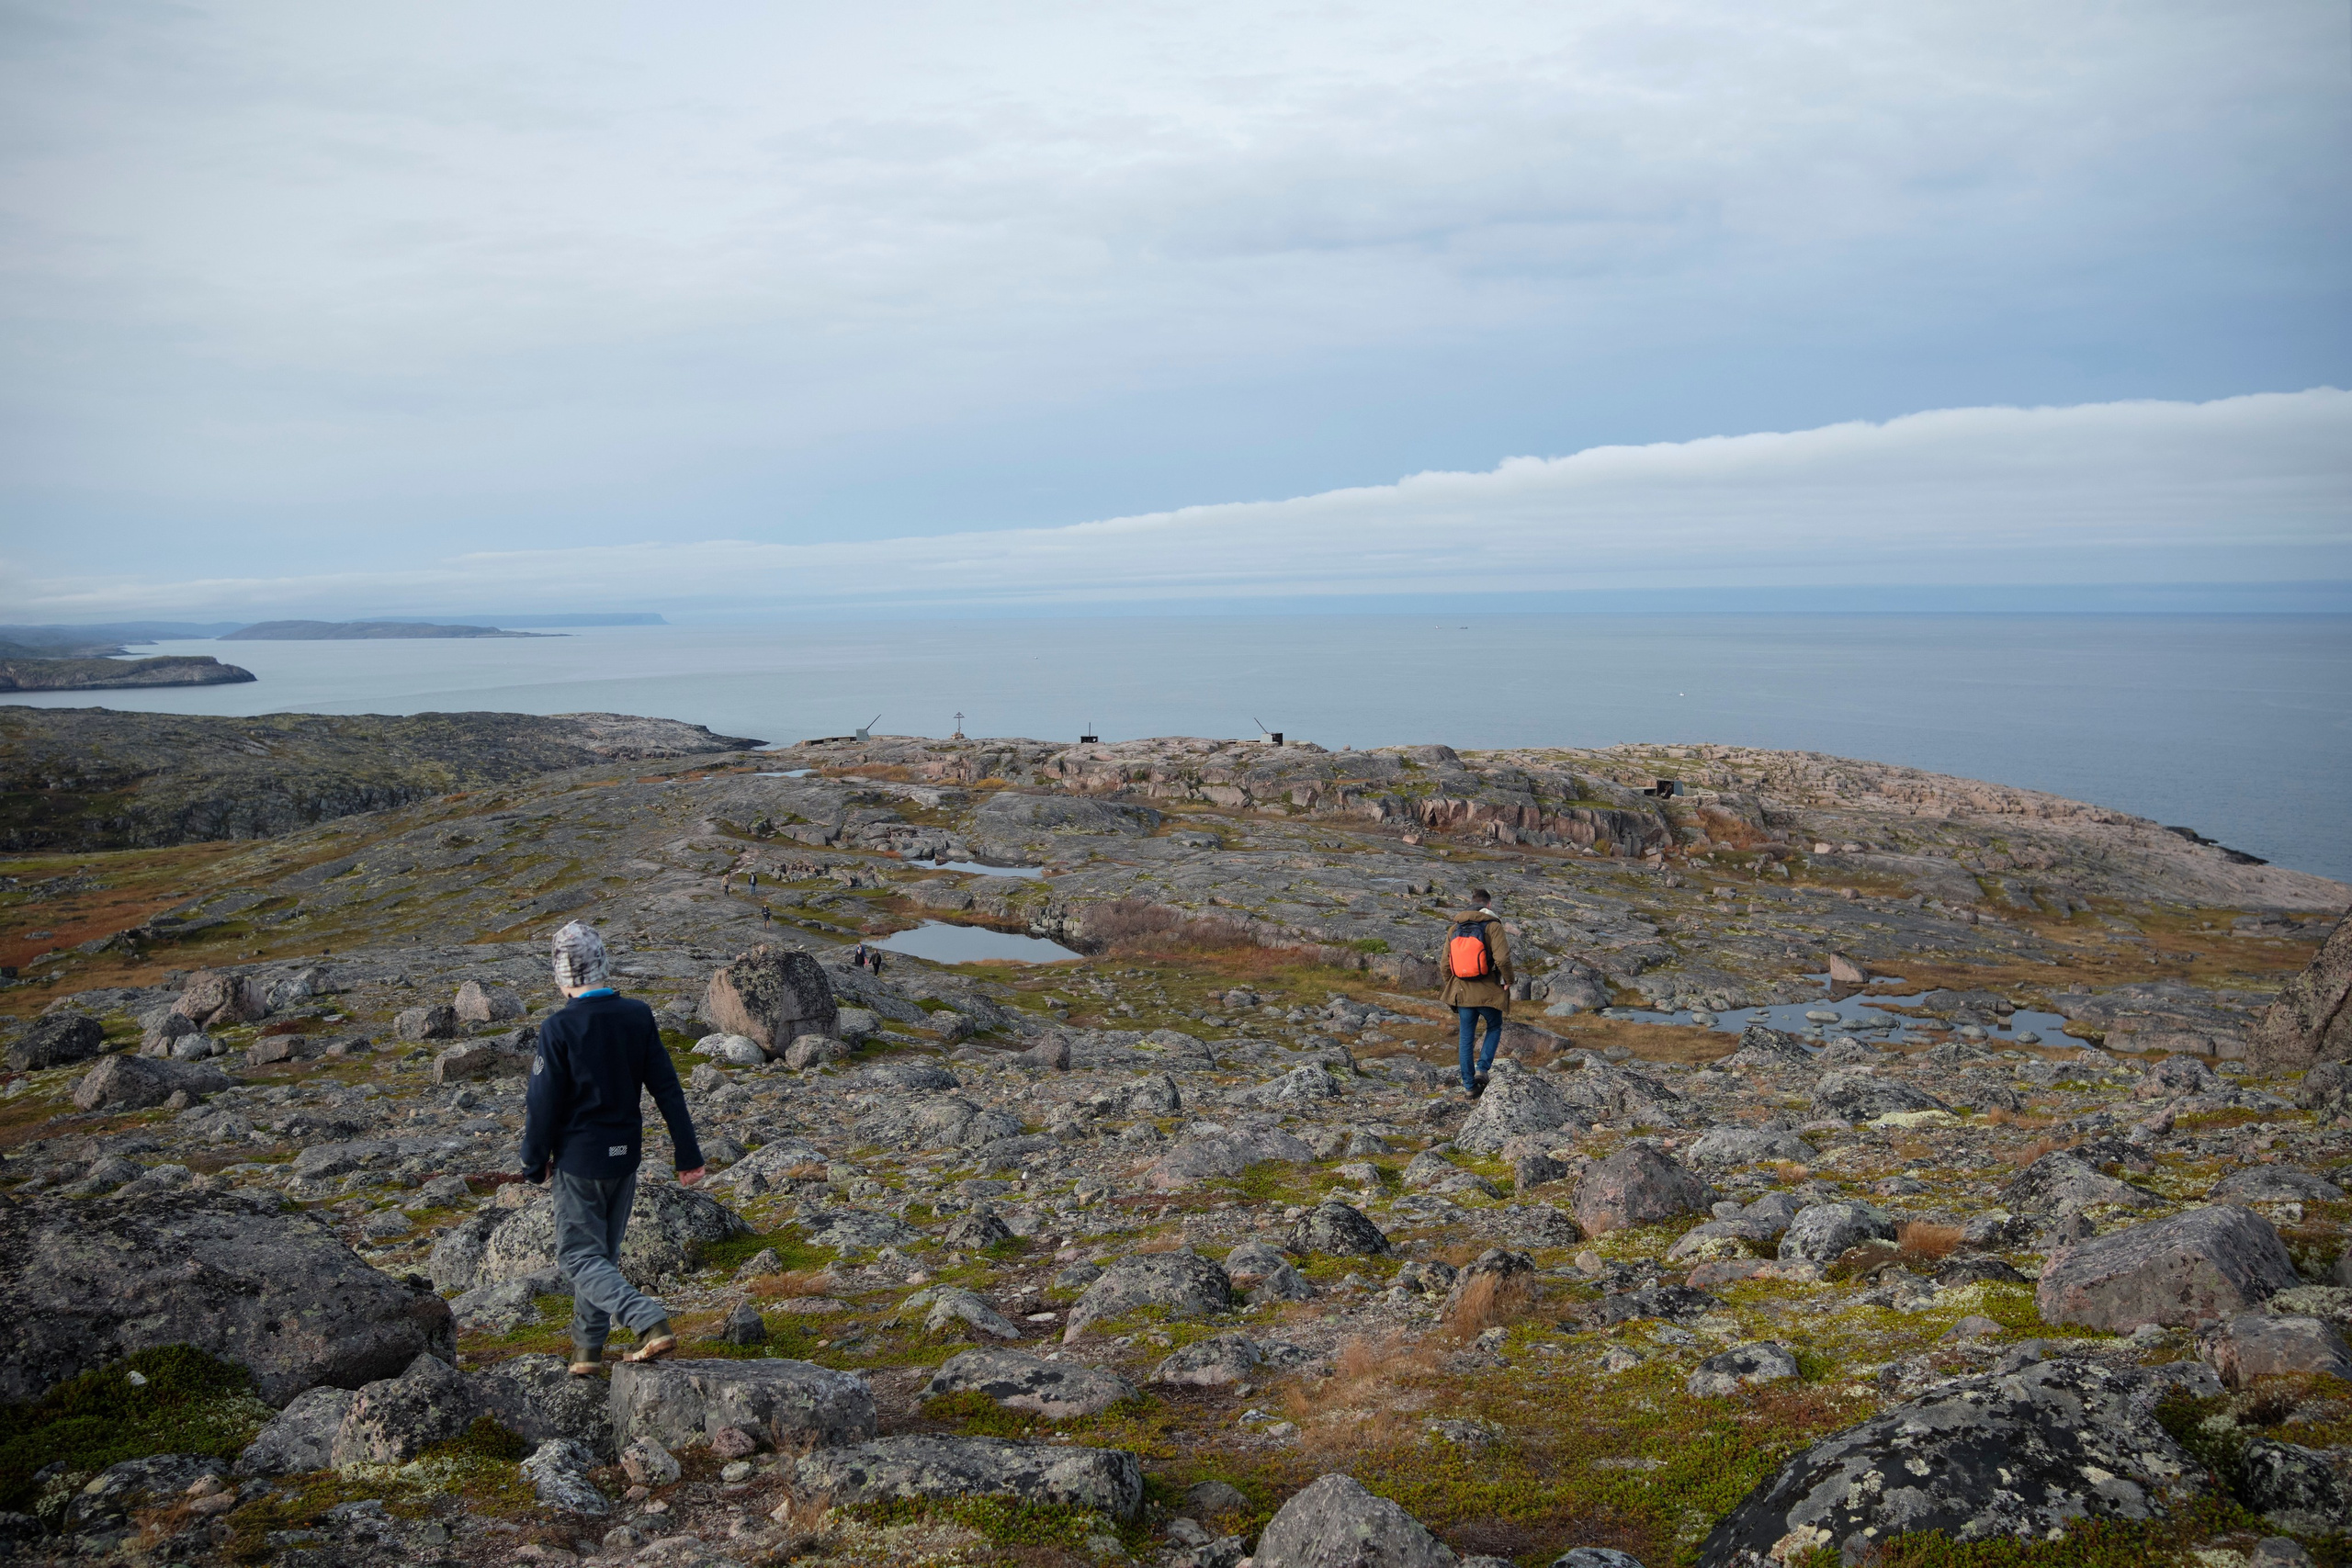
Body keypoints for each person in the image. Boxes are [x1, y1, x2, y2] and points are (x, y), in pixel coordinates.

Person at [520, 919, 707, 1376]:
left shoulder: (558, 1028)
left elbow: (542, 1103)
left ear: (562, 978)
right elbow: (667, 1088)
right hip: (625, 1158)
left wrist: (532, 1160)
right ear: (604, 965)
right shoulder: (637, 1015)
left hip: (579, 1163)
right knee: (599, 1256)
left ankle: (647, 1321)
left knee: (578, 1256)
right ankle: (587, 1353)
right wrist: (688, 1154)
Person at [1438, 887, 1514, 1097]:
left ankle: (1470, 1087)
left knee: (1466, 1038)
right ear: (1488, 905)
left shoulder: (1455, 928)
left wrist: (1453, 985)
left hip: (1462, 992)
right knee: (1495, 1025)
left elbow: (1445, 964)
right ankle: (1483, 1068)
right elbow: (1503, 959)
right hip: (1488, 991)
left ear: (1471, 902)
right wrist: (1508, 980)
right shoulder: (1493, 926)